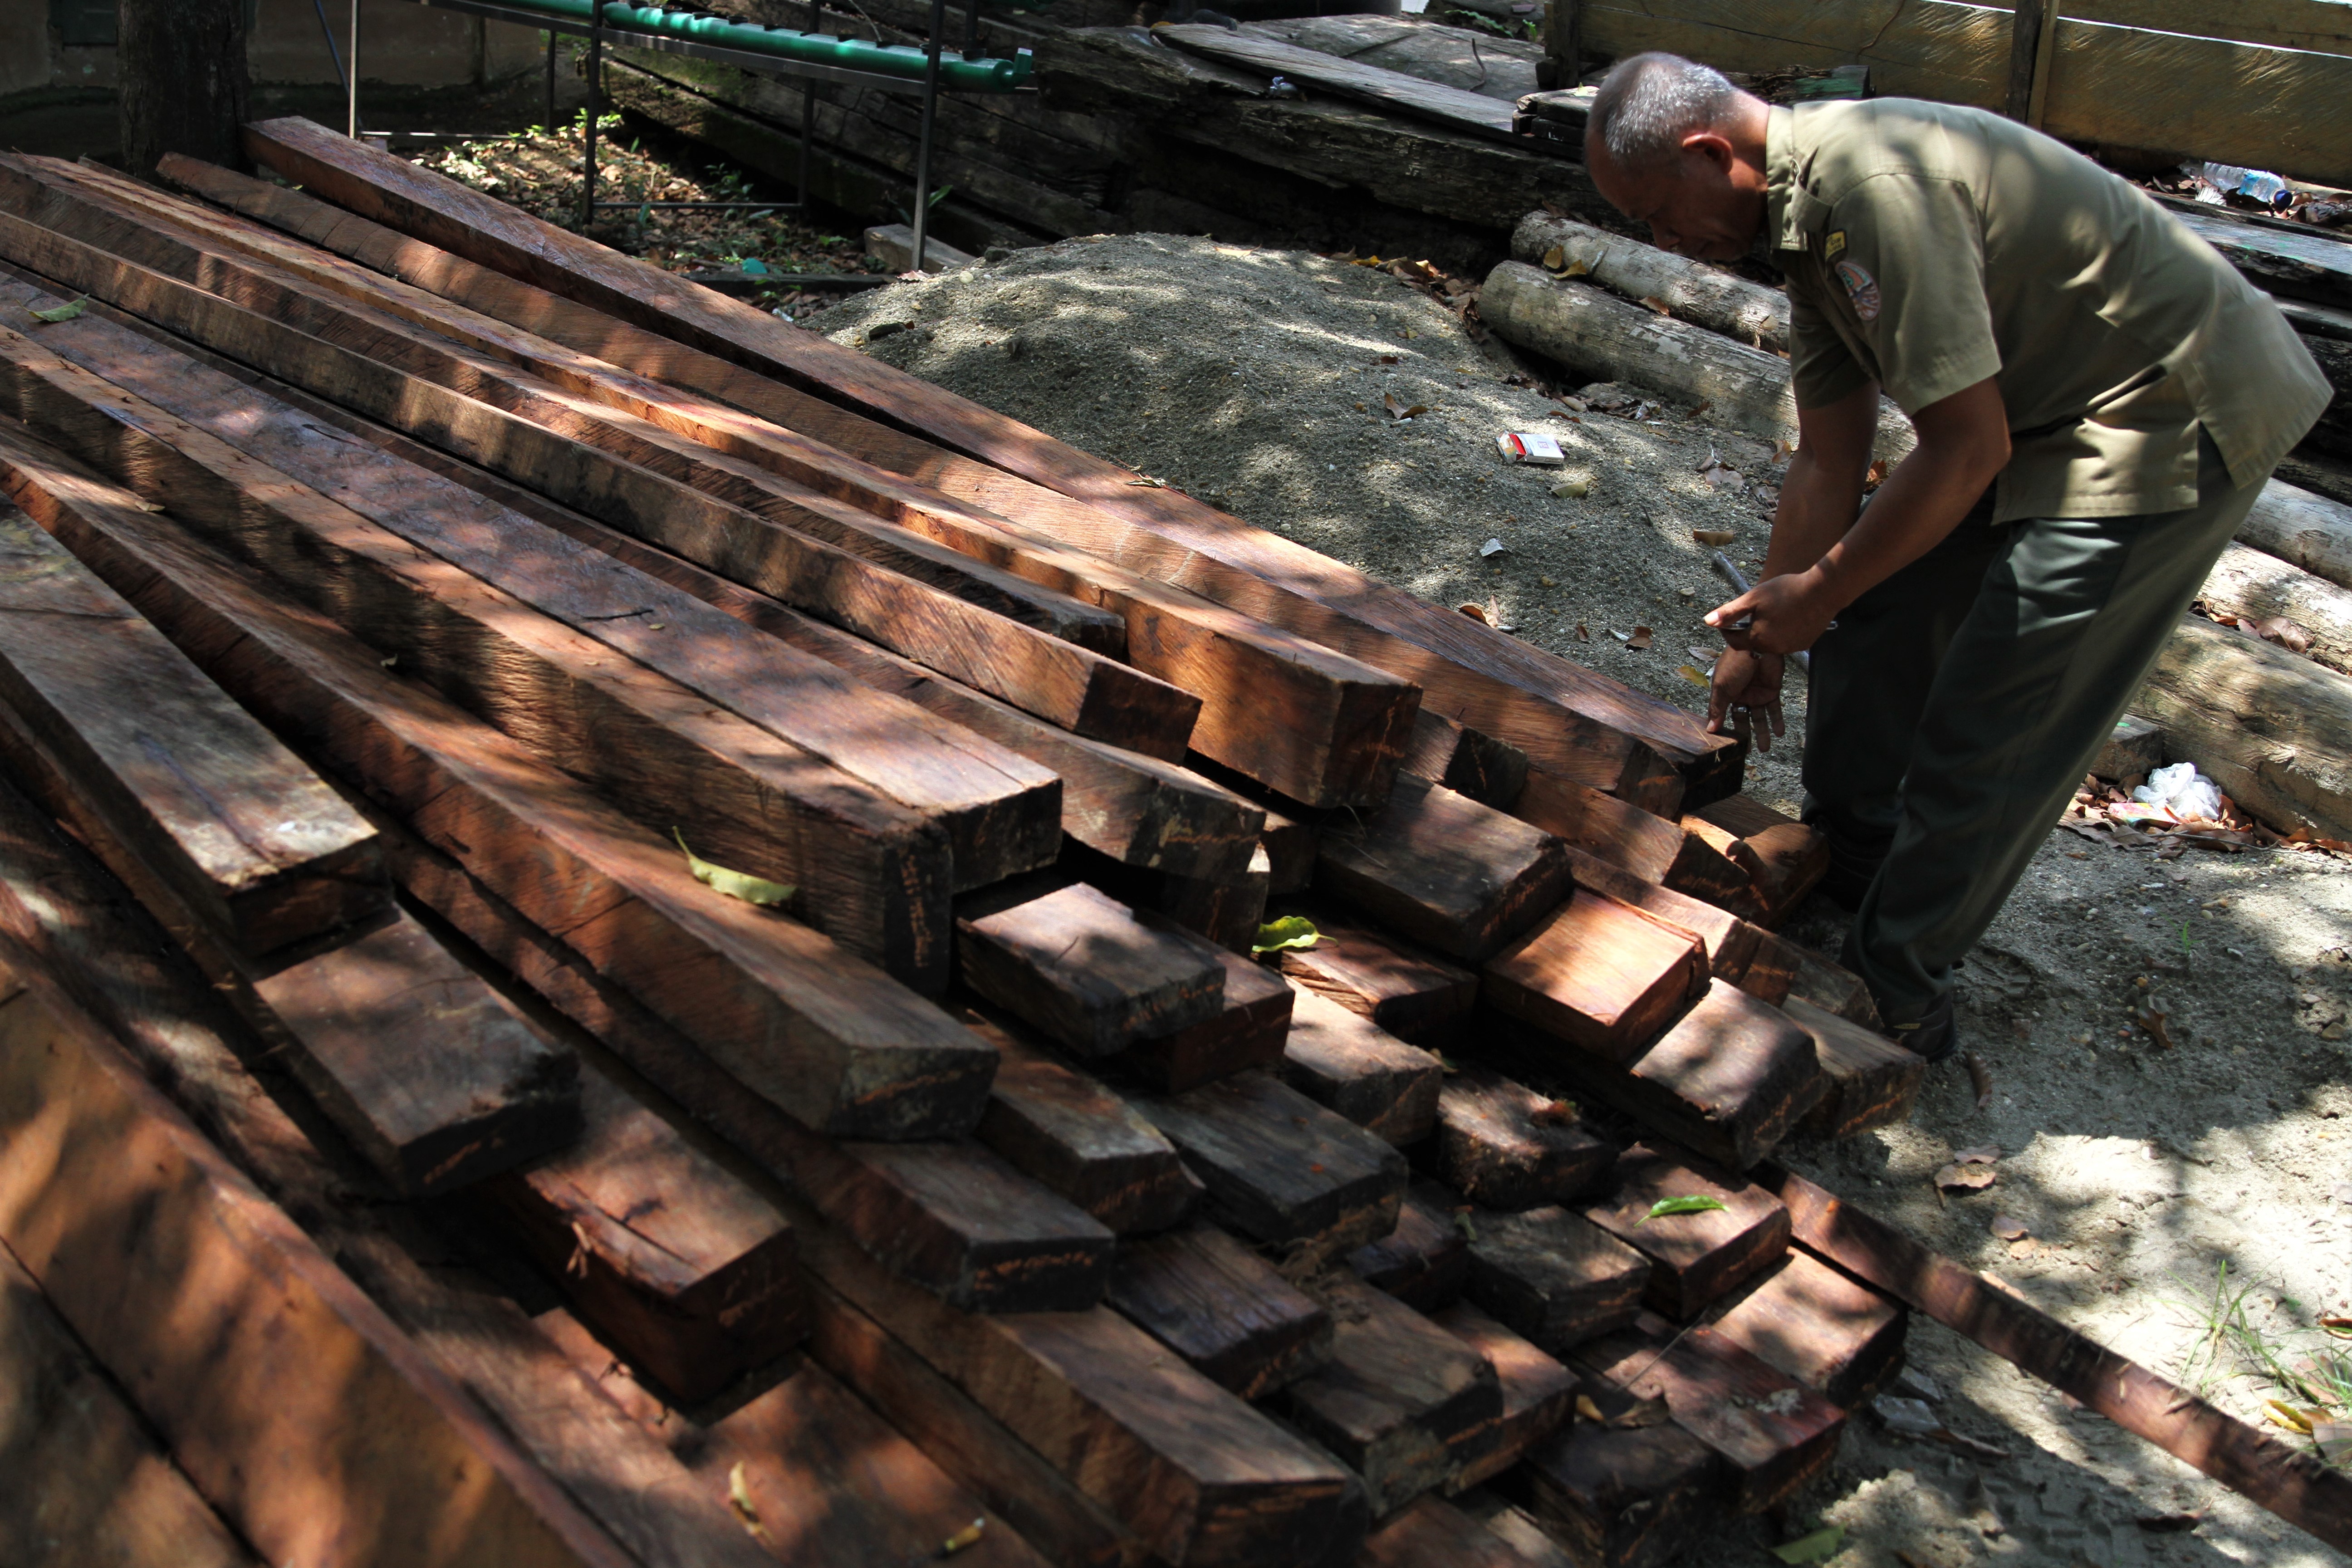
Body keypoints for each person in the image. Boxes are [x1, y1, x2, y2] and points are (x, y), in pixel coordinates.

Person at [1581, 53, 2331, 1061]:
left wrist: (1819, 590)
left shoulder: (1870, 188)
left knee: (1997, 711)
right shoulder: (1804, 229)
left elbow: (1966, 448)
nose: (1663, 242)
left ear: (1711, 154)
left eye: (1658, 214)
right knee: (1878, 610)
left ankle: (1896, 992)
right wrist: (1769, 630)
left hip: (2168, 409)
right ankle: (1852, 859)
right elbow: (1827, 458)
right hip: (2035, 416)